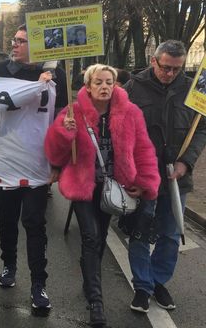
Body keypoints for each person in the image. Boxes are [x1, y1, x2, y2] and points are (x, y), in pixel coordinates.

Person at [45, 64, 159, 327]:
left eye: (110, 82)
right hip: (84, 187)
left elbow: (143, 148)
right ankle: (96, 302)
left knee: (97, 241)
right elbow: (54, 154)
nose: (105, 86)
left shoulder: (131, 113)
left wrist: (143, 182)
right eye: (99, 82)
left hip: (113, 190)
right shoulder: (72, 112)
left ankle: (89, 278)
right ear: (88, 86)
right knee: (91, 236)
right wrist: (65, 131)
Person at [124, 40, 206, 313]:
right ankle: (142, 286)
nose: (170, 74)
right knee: (140, 230)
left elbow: (202, 128)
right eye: (166, 68)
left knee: (170, 235)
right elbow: (118, 127)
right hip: (144, 175)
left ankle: (159, 280)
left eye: (177, 69)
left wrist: (187, 162)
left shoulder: (193, 89)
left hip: (176, 177)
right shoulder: (134, 87)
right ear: (153, 61)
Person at [0, 24, 68, 311]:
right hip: (6, 161)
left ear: (36, 46)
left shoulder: (57, 76)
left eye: (22, 41)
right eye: (14, 40)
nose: (15, 44)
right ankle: (9, 265)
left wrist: (59, 161)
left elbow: (61, 120)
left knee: (35, 224)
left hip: (38, 164)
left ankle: (39, 284)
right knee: (7, 221)